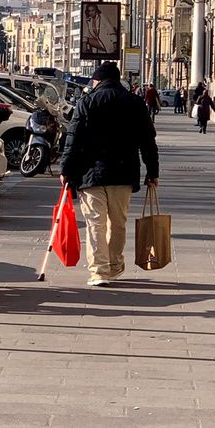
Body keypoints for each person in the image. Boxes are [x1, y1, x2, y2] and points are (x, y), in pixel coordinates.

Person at [60, 61, 159, 287]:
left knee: (95, 223)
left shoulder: (86, 102)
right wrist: (153, 172)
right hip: (123, 172)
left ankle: (99, 271)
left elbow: (72, 139)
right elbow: (147, 141)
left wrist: (66, 169)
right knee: (118, 223)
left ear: (97, 80)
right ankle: (114, 266)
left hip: (90, 173)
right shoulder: (135, 102)